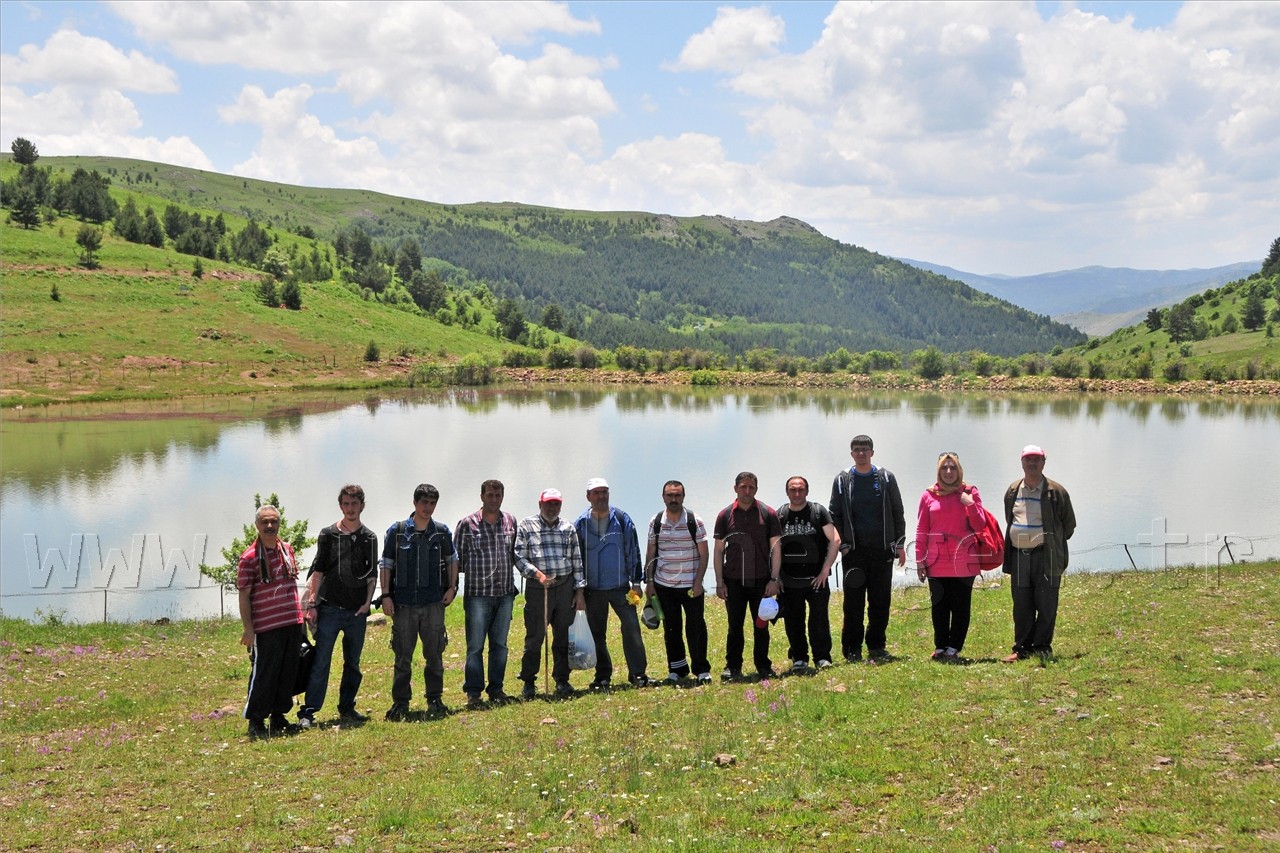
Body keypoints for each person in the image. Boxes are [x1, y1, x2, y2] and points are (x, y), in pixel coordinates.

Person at [298, 485, 378, 728]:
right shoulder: (328, 534)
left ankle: (347, 707)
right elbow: (318, 571)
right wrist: (312, 604)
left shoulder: (370, 537)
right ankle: (309, 711)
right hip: (329, 609)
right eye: (346, 504)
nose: (350, 508)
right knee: (321, 661)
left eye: (354, 504)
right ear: (340, 506)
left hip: (356, 612)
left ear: (362, 505)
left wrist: (367, 603)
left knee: (353, 663)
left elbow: (372, 575)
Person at [380, 483, 458, 720]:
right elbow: (386, 564)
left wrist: (452, 587)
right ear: (414, 503)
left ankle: (435, 699)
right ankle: (400, 703)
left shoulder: (442, 532)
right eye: (424, 502)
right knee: (403, 657)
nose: (428, 507)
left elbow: (452, 559)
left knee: (434, 656)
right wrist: (386, 595)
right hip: (404, 604)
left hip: (433, 603)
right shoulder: (397, 531)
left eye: (432, 503)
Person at [828, 434, 906, 663]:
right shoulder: (842, 479)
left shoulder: (886, 477)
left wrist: (900, 544)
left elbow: (897, 511)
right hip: (854, 553)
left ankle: (876, 646)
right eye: (857, 449)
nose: (861, 453)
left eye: (865, 449)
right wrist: (843, 545)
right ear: (851, 453)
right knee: (853, 603)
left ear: (872, 452)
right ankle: (852, 649)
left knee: (880, 602)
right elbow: (834, 514)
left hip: (882, 551)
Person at [1002, 445, 1077, 662]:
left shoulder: (1057, 492)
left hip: (1047, 556)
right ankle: (1022, 649)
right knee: (1022, 604)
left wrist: (1051, 543)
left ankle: (1042, 646)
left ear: (1044, 462)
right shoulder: (1013, 490)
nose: (1032, 463)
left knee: (1046, 604)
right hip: (1019, 556)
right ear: (1022, 463)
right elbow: (1009, 518)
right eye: (1028, 459)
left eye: (1036, 459)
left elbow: (1069, 525)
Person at [237, 504, 305, 740]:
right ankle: (256, 720)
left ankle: (278, 716)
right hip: (266, 627)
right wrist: (248, 629)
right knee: (265, 673)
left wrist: (302, 618)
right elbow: (244, 595)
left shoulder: (287, 549)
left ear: (279, 524)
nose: (269, 526)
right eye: (264, 522)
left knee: (288, 672)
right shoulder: (248, 558)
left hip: (292, 622)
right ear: (257, 525)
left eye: (273, 521)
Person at [574, 478, 649, 689]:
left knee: (632, 629)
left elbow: (633, 550)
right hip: (593, 589)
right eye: (596, 493)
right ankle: (602, 676)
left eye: (604, 492)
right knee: (597, 634)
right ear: (588, 496)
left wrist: (637, 582)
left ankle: (638, 674)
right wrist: (579, 590)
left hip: (621, 587)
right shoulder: (580, 523)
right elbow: (576, 559)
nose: (601, 496)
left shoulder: (622, 519)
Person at [914, 454, 987, 662]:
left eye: (952, 468)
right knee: (939, 606)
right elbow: (922, 529)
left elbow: (980, 525)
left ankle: (954, 647)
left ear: (959, 470)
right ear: (938, 471)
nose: (948, 472)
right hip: (936, 561)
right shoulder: (928, 495)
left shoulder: (969, 492)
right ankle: (940, 647)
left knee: (960, 606)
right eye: (944, 468)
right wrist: (920, 559)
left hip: (964, 561)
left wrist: (970, 504)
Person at [515, 488, 586, 699]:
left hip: (564, 586)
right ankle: (529, 681)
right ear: (540, 504)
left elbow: (577, 560)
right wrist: (537, 575)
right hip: (538, 588)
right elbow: (518, 557)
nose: (552, 508)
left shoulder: (568, 528)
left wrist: (579, 591)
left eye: (556, 504)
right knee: (535, 637)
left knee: (563, 635)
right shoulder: (527, 525)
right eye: (548, 504)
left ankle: (562, 679)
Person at [454, 479, 519, 708]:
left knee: (500, 645)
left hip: (504, 593)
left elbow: (515, 555)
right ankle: (474, 693)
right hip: (478, 595)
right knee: (475, 646)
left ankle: (496, 689)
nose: (494, 499)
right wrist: (451, 587)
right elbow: (456, 560)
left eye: (498, 495)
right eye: (490, 495)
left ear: (503, 497)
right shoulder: (467, 524)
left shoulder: (510, 521)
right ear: (482, 496)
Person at [713, 471, 783, 681]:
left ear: (756, 489)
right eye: (743, 487)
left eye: (751, 487)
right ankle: (732, 667)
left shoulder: (768, 513)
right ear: (735, 488)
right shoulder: (724, 515)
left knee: (761, 625)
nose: (747, 491)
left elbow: (776, 548)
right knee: (735, 627)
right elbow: (718, 550)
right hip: (733, 581)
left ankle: (763, 666)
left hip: (761, 581)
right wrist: (719, 582)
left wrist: (774, 579)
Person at [644, 480, 712, 685]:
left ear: (683, 497)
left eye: (677, 495)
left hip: (691, 586)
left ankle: (701, 669)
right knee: (671, 629)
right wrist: (649, 581)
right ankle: (677, 669)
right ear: (663, 497)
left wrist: (698, 582)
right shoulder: (656, 521)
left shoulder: (694, 520)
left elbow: (704, 554)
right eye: (670, 495)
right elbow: (651, 552)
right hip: (664, 585)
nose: (673, 499)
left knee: (696, 627)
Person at [777, 476, 840, 673]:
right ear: (787, 492)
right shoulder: (780, 515)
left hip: (816, 579)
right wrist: (776, 577)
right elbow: (772, 547)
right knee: (793, 620)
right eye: (793, 489)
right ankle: (799, 658)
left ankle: (822, 657)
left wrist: (825, 570)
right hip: (789, 580)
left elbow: (835, 540)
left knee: (819, 620)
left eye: (801, 489)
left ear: (807, 491)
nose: (797, 493)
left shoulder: (818, 512)